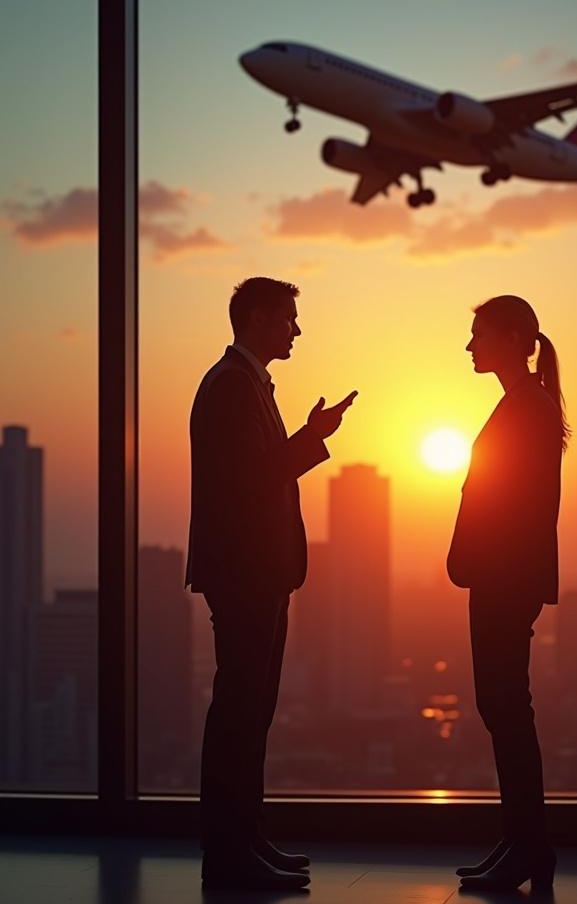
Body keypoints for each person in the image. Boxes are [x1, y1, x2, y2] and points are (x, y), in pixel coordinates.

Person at [185, 276, 357, 892]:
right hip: (246, 574)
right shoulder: (232, 387)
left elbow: (254, 472)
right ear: (258, 319)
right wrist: (314, 440)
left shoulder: (244, 384)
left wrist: (309, 435)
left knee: (251, 712)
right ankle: (229, 851)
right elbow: (253, 480)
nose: (297, 329)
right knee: (239, 712)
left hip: (259, 573)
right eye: (288, 318)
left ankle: (245, 842)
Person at [447, 295, 568, 893]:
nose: (470, 345)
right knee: (502, 709)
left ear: (513, 338)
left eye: (480, 335)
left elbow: (521, 506)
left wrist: (478, 560)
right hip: (500, 577)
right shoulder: (523, 405)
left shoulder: (528, 408)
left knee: (507, 711)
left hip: (505, 579)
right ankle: (521, 841)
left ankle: (530, 846)